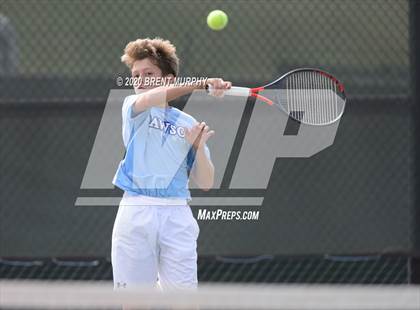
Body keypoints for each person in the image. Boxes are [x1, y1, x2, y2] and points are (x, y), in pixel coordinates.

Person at [111, 37, 231, 291]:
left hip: (177, 215)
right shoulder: (133, 106)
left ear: (168, 79)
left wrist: (198, 148)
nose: (141, 80)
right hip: (136, 212)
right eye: (136, 75)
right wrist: (201, 84)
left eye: (149, 73)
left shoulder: (188, 122)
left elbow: (206, 183)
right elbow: (152, 97)